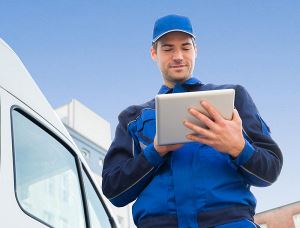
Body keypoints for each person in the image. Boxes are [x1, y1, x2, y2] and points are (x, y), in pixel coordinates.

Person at [102, 14, 283, 228]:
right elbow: (114, 190)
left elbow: (270, 170)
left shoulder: (234, 98)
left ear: (196, 50)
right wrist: (156, 151)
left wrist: (238, 147)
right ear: (154, 53)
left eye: (185, 47)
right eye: (168, 48)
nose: (178, 56)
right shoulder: (134, 118)